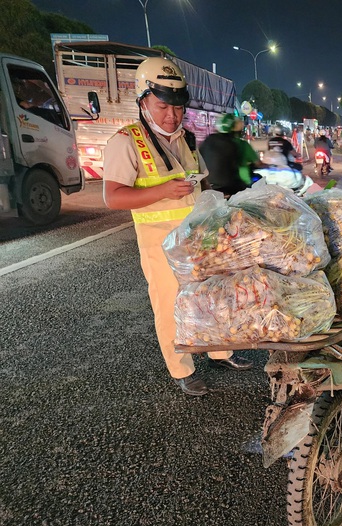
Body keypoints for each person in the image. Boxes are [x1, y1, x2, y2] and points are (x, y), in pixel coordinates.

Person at [102, 57, 251, 397]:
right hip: (160, 245)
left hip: (196, 240)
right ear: (143, 102)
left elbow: (200, 185)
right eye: (162, 106)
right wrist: (163, 191)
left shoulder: (186, 139)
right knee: (170, 305)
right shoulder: (125, 142)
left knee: (212, 296)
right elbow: (113, 197)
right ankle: (182, 369)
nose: (171, 115)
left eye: (178, 108)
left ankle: (220, 352)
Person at [199, 113, 260, 196]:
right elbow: (254, 164)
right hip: (232, 187)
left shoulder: (207, 140)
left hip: (209, 186)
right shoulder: (238, 144)